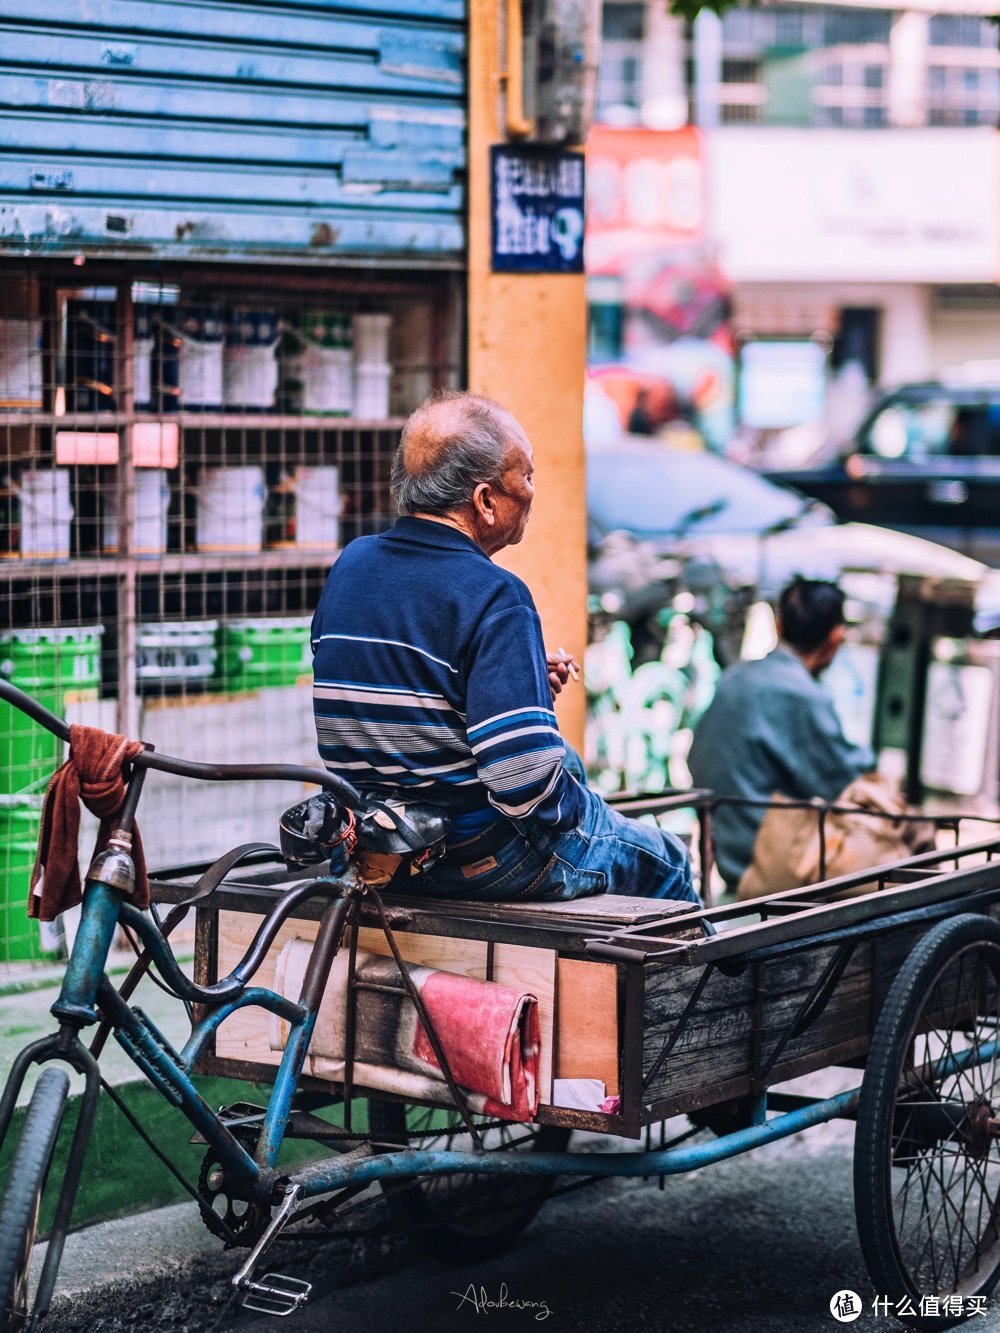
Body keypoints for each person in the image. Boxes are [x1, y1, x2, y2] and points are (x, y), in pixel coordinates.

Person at [311, 390, 695, 904]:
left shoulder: (353, 564)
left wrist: (522, 683)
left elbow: (397, 687)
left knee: (571, 763)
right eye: (527, 477)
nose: (533, 492)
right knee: (668, 860)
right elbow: (523, 785)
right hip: (475, 858)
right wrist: (578, 818)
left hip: (372, 840)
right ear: (486, 501)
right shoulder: (495, 594)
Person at [687, 577, 875, 893]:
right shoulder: (801, 694)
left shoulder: (735, 676)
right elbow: (845, 779)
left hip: (730, 856)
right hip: (773, 867)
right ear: (836, 637)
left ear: (778, 624)